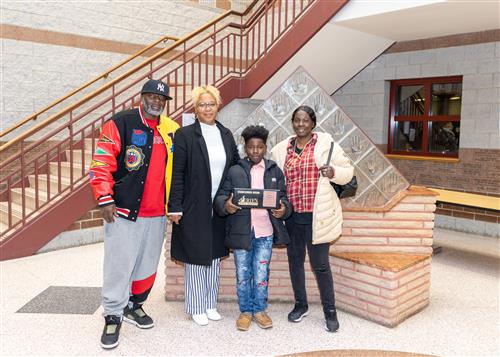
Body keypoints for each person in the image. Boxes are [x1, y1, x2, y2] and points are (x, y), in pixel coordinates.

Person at [89, 79, 179, 349]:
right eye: (152, 96)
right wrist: (104, 198)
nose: (156, 102)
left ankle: (134, 305)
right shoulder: (120, 123)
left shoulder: (171, 129)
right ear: (142, 97)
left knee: (147, 265)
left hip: (158, 213)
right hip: (124, 211)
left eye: (161, 99)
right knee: (119, 264)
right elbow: (101, 162)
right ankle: (113, 314)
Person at [270, 105, 354, 333]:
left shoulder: (326, 145)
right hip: (293, 217)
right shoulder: (282, 149)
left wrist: (334, 172)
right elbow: (275, 178)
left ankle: (330, 311)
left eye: (305, 120)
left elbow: (349, 171)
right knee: (295, 263)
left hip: (319, 217)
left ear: (313, 123)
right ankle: (301, 305)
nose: (301, 124)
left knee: (321, 266)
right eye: (297, 120)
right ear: (292, 122)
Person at [168, 85, 239, 326]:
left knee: (215, 255)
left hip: (219, 206)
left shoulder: (226, 134)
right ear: (195, 108)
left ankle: (210, 303)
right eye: (202, 104)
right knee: (196, 255)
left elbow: (235, 168)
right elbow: (177, 173)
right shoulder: (185, 135)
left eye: (211, 104)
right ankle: (196, 305)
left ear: (218, 106)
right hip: (193, 205)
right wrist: (175, 206)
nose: (207, 108)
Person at [214, 125, 292, 331]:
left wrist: (283, 209)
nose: (255, 151)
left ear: (265, 147)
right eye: (251, 147)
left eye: (259, 147)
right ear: (245, 148)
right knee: (242, 273)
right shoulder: (235, 170)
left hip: (265, 232)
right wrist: (226, 205)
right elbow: (221, 196)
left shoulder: (274, 170)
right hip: (242, 232)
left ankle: (260, 310)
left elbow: (283, 197)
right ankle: (246, 311)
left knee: (261, 273)